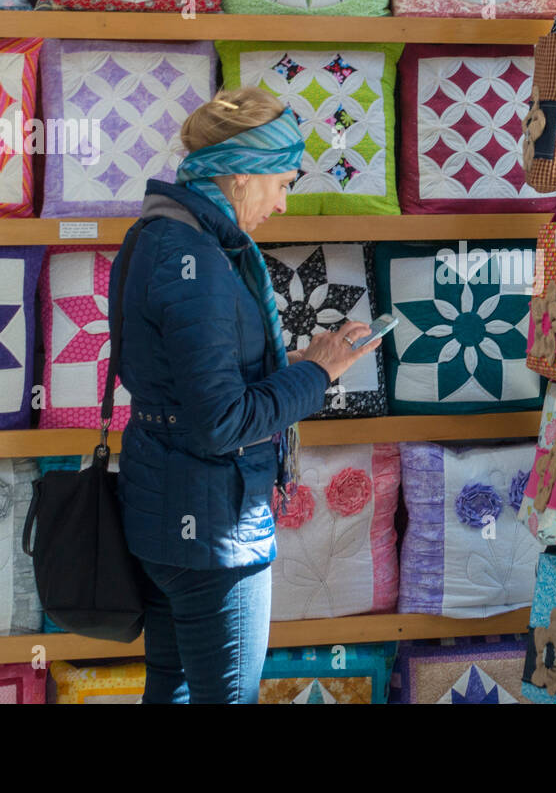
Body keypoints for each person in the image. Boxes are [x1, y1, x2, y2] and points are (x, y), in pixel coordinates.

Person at [109, 87, 381, 703]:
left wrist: (294, 363)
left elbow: (183, 381)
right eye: (282, 182)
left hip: (163, 516)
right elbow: (222, 422)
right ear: (241, 175)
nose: (283, 203)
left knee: (172, 690)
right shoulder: (200, 260)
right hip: (213, 532)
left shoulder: (156, 234)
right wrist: (321, 373)